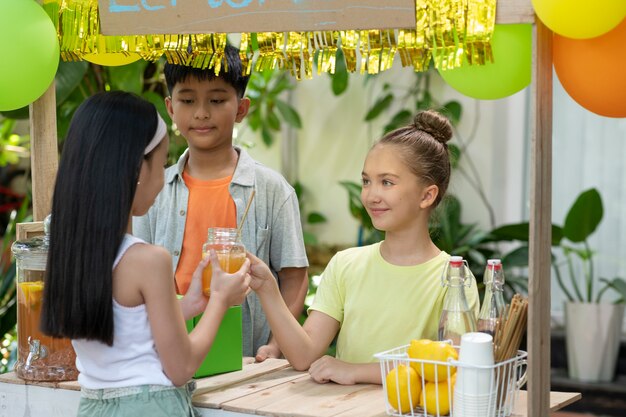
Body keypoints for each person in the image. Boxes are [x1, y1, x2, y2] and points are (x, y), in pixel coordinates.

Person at [40, 91, 251, 416]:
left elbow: (127, 335)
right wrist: (221, 299)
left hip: (94, 406)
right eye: (163, 162)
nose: (164, 176)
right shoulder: (148, 260)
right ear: (137, 168)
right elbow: (181, 366)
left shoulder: (72, 252)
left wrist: (192, 304)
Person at [248, 110, 480, 385]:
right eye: (366, 181)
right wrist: (268, 290)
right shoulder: (345, 264)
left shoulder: (454, 278)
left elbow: (451, 366)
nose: (371, 195)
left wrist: (356, 371)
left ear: (427, 195)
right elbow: (303, 356)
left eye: (387, 182)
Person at [133, 44, 309, 361]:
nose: (201, 112)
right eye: (188, 101)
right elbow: (135, 272)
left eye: (216, 100)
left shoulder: (271, 189)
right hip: (166, 350)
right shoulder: (154, 188)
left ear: (241, 108)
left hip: (246, 354)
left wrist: (275, 345)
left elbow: (294, 277)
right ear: (171, 108)